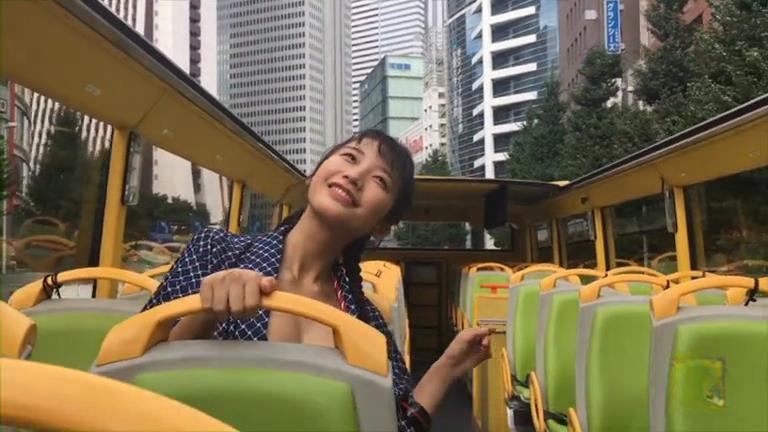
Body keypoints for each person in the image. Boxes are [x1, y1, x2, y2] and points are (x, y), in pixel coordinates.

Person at [142, 129, 492, 432]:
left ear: (382, 225)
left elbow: (394, 425)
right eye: (350, 157)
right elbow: (132, 371)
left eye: (380, 180)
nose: (355, 175)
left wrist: (448, 366)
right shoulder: (216, 251)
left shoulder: (365, 322)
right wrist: (205, 313)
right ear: (313, 176)